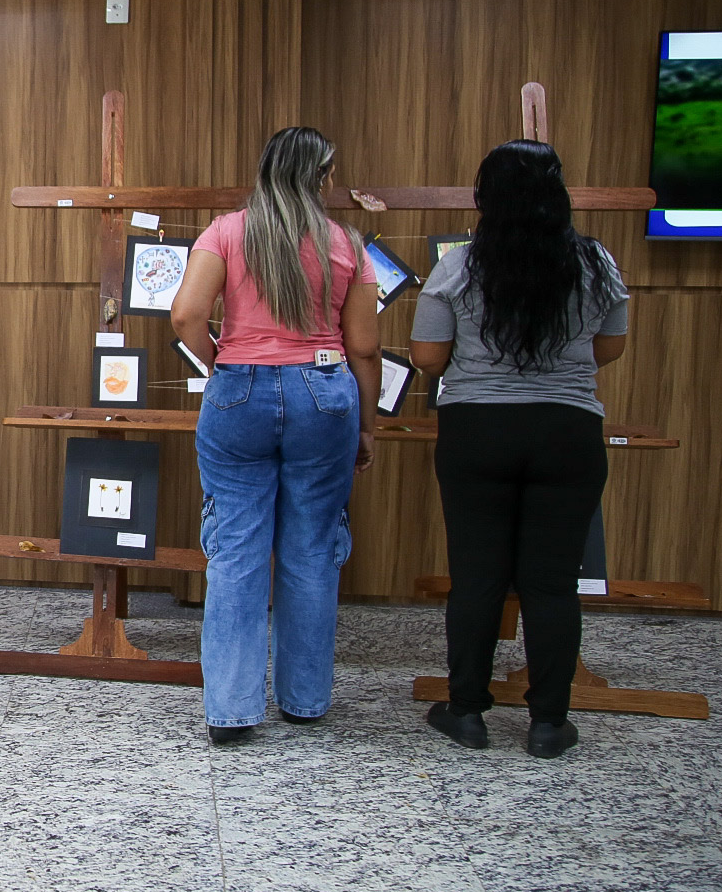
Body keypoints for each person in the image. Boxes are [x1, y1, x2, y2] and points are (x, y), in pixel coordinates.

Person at [410, 140, 628, 760]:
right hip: (568, 432)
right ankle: (549, 724)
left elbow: (427, 357)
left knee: (477, 578)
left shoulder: (459, 266)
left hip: (477, 432)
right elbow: (609, 347)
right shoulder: (595, 263)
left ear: (486, 198)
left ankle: (466, 711)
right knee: (553, 585)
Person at [170, 126, 382, 744]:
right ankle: (305, 700)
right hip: (325, 393)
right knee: (312, 549)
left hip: (241, 390)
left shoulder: (227, 232)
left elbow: (184, 314)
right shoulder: (346, 242)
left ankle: (232, 711)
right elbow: (364, 348)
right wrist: (366, 427)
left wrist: (223, 363)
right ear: (323, 178)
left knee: (236, 549)